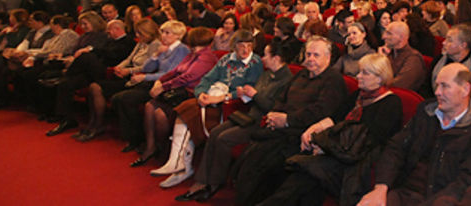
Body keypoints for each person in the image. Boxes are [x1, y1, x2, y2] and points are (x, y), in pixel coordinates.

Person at [258, 53, 403, 206]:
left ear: (379, 78)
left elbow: (366, 141)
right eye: (359, 71)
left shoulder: (391, 103)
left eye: (364, 73)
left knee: (304, 176)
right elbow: (334, 118)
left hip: (358, 162)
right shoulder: (359, 95)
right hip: (340, 151)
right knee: (302, 176)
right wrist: (312, 130)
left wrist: (326, 147)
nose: (358, 76)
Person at [358, 64, 471, 205]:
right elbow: (396, 148)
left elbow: (467, 181)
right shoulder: (426, 112)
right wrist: (381, 188)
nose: (437, 92)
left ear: (465, 89)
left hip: (442, 200)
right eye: (437, 85)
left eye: (444, 86)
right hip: (404, 193)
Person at [232, 36, 348, 205]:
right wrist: (275, 114)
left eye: (316, 55)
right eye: (308, 54)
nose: (311, 59)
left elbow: (320, 112)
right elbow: (281, 97)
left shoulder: (334, 80)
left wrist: (287, 120)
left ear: (328, 58)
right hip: (279, 129)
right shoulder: (301, 74)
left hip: (301, 135)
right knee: (250, 159)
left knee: (261, 163)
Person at [174, 42, 293, 202]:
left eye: (266, 55)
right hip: (249, 115)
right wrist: (243, 93)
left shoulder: (287, 80)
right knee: (216, 132)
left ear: (276, 58)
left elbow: (275, 108)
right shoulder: (267, 74)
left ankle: (214, 183)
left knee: (224, 138)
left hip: (263, 123)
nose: (263, 59)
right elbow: (252, 99)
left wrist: (255, 94)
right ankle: (202, 181)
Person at [149, 29, 262, 188]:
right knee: (186, 109)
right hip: (212, 99)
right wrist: (201, 93)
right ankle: (179, 163)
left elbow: (246, 92)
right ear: (234, 46)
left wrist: (222, 97)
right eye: (242, 46)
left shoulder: (255, 63)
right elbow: (208, 79)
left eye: (249, 46)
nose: (246, 50)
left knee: (188, 112)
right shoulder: (225, 59)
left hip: (231, 106)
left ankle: (180, 165)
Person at [130, 27, 217, 167]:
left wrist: (163, 87)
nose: (192, 47)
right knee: (149, 106)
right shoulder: (193, 54)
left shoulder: (206, 57)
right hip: (178, 90)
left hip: (190, 93)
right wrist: (160, 81)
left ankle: (164, 150)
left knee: (159, 114)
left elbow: (188, 77)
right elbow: (175, 71)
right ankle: (150, 147)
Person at [46, 19, 136, 136]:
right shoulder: (109, 41)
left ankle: (65, 73)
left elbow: (114, 55)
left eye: (109, 29)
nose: (107, 32)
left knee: (86, 56)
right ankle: (67, 119)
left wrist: (91, 49)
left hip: (110, 72)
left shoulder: (128, 41)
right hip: (94, 72)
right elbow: (101, 52)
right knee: (66, 84)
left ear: (117, 29)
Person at [111, 20, 190, 153]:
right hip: (153, 83)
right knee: (118, 98)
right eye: (163, 32)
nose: (163, 36)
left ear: (178, 35)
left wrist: (143, 77)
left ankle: (137, 139)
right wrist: (156, 55)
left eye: (167, 33)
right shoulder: (165, 48)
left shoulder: (181, 49)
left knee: (126, 98)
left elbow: (168, 74)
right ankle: (133, 138)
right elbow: (148, 68)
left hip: (165, 87)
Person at [79, 18, 162, 142]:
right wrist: (119, 67)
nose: (137, 36)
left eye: (140, 33)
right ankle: (95, 123)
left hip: (140, 80)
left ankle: (128, 135)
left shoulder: (155, 44)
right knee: (95, 87)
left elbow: (147, 67)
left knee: (120, 98)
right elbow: (129, 59)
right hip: (128, 77)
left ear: (148, 32)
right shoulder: (141, 43)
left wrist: (128, 71)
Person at [430, 24, 471, 106]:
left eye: (449, 40)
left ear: (463, 45)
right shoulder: (439, 60)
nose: (443, 43)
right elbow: (426, 88)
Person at [378, 21, 426, 92]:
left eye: (389, 33)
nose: (383, 37)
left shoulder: (413, 58)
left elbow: (399, 86)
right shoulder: (390, 53)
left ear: (402, 37)